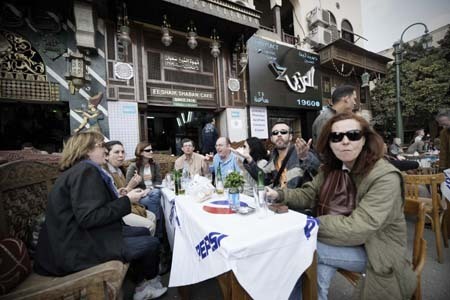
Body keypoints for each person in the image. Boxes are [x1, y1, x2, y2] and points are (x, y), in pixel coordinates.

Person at [266, 113, 417, 300]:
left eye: (353, 135)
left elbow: (358, 228)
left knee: (303, 249)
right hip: (340, 237)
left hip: (377, 247)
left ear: (365, 140)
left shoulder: (384, 176)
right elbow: (307, 194)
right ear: (329, 143)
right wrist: (279, 194)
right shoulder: (332, 167)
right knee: (310, 258)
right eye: (336, 137)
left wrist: (313, 225)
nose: (344, 141)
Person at [34, 131, 167, 299]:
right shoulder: (85, 171)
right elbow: (89, 217)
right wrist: (127, 200)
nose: (105, 150)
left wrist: (120, 196)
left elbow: (91, 206)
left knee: (142, 231)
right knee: (151, 242)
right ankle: (144, 287)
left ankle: (143, 281)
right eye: (101, 146)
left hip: (74, 239)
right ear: (86, 150)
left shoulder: (80, 170)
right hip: (73, 249)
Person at [103, 140, 157, 236]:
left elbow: (159, 180)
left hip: (130, 202)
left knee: (152, 215)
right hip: (116, 210)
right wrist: (131, 186)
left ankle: (153, 241)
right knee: (150, 221)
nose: (121, 155)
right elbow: (115, 196)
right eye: (117, 152)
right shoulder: (105, 173)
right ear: (106, 156)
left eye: (123, 152)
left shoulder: (119, 169)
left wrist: (138, 189)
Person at [260, 122, 319, 189]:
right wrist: (249, 160)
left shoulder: (301, 152)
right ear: (271, 138)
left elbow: (319, 173)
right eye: (275, 133)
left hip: (299, 198)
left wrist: (305, 157)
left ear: (290, 137)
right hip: (281, 197)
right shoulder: (273, 158)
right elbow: (263, 178)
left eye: (283, 132)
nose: (279, 135)